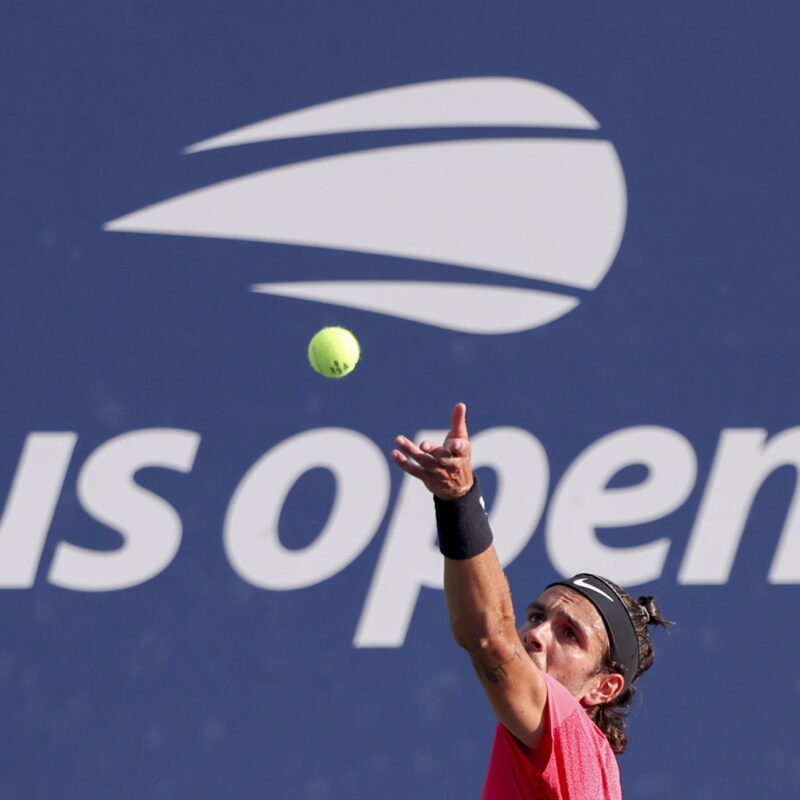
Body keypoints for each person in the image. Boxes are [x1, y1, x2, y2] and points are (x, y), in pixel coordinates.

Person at [391, 403, 673, 800]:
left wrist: (460, 502)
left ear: (602, 687)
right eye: (536, 616)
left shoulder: (570, 735)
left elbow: (490, 638)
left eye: (570, 635)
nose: (536, 635)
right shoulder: (579, 763)